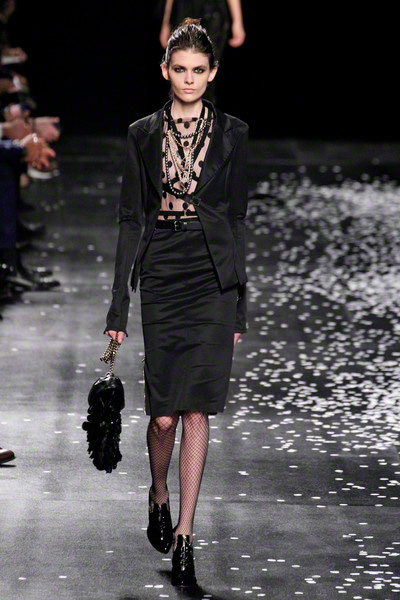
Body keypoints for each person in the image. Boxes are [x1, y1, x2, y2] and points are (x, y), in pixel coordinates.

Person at [105, 17, 248, 587]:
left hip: (213, 277)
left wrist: (240, 303)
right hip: (163, 271)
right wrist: (118, 306)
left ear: (212, 73)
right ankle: (159, 491)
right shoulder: (142, 134)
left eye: (198, 70)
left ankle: (186, 533)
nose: (189, 79)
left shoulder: (234, 133)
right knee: (163, 416)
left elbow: (237, 219)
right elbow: (129, 219)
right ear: (165, 71)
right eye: (180, 69)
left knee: (197, 411)